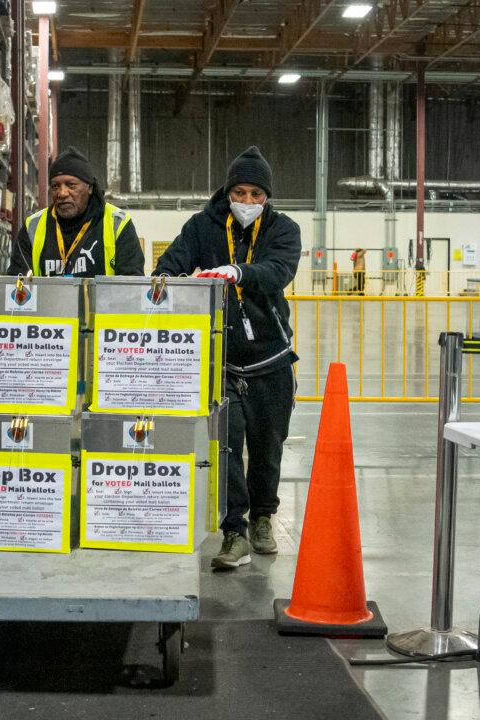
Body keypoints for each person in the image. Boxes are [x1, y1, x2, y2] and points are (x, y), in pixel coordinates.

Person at [153, 145, 301, 571]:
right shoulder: (202, 226)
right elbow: (169, 264)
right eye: (240, 192)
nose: (248, 203)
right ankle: (233, 530)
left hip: (270, 360)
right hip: (220, 361)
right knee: (228, 447)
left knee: (267, 447)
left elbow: (279, 271)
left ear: (267, 197)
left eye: (257, 194)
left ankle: (262, 518)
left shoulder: (283, 229)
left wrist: (238, 272)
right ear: (228, 192)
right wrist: (176, 281)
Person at [7, 147, 144, 277]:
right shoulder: (33, 227)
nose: (62, 193)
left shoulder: (117, 223)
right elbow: (17, 284)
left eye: (71, 185)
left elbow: (130, 287)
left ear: (89, 187)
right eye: (55, 186)